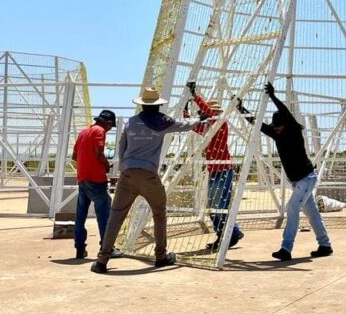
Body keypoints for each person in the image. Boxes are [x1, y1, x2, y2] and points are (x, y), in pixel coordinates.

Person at [91, 86, 205, 273]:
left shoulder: (131, 123)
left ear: (142, 105)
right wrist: (199, 119)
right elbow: (185, 125)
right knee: (159, 214)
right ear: (158, 106)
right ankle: (160, 256)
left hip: (128, 174)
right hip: (149, 175)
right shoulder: (163, 122)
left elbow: (122, 147)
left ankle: (102, 260)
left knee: (116, 216)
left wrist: (124, 169)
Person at [238, 82, 332, 261]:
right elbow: (256, 123)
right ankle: (325, 245)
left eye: (280, 125)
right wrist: (240, 108)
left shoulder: (295, 131)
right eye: (275, 126)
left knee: (292, 208)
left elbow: (286, 113)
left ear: (286, 124)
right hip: (297, 181)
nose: (277, 128)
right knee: (312, 214)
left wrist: (273, 96)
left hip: (306, 178)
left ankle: (286, 248)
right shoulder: (276, 133)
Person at [184, 80, 244, 252]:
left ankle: (226, 235)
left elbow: (209, 114)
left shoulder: (220, 123)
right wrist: (186, 112)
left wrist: (195, 96)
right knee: (216, 206)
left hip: (223, 169)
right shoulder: (209, 128)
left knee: (218, 206)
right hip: (216, 169)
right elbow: (192, 126)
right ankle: (232, 232)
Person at [71, 109, 116, 260]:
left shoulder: (84, 132)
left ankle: (79, 248)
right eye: (110, 126)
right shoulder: (99, 131)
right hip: (96, 180)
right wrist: (106, 165)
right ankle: (107, 247)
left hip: (82, 178)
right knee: (104, 214)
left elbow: (74, 156)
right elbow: (99, 153)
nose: (109, 129)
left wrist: (86, 164)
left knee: (80, 215)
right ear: (107, 123)